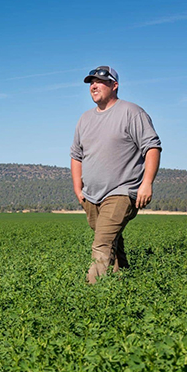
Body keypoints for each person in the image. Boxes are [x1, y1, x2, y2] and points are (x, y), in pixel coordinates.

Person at [70, 66, 162, 284]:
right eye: (91, 82)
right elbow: (76, 155)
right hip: (91, 195)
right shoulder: (85, 119)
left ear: (114, 85)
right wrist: (77, 187)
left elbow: (152, 148)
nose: (94, 85)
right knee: (112, 241)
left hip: (121, 192)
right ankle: (124, 282)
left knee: (102, 243)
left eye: (100, 81)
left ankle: (91, 293)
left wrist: (147, 183)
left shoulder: (132, 112)